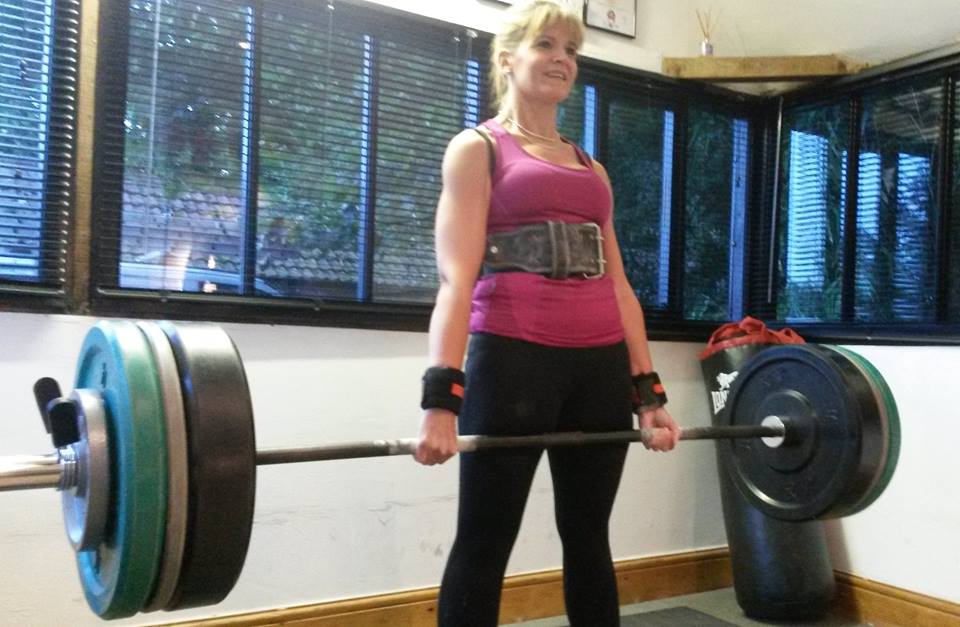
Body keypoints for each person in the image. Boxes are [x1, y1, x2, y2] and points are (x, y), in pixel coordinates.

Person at [414, 2, 681, 625]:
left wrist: (647, 392)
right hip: (513, 360)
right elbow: (456, 281)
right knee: (485, 540)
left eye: (571, 49)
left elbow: (620, 286)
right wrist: (440, 401)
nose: (562, 58)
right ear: (508, 59)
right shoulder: (478, 149)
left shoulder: (593, 170)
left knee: (589, 537)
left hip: (598, 368)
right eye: (546, 45)